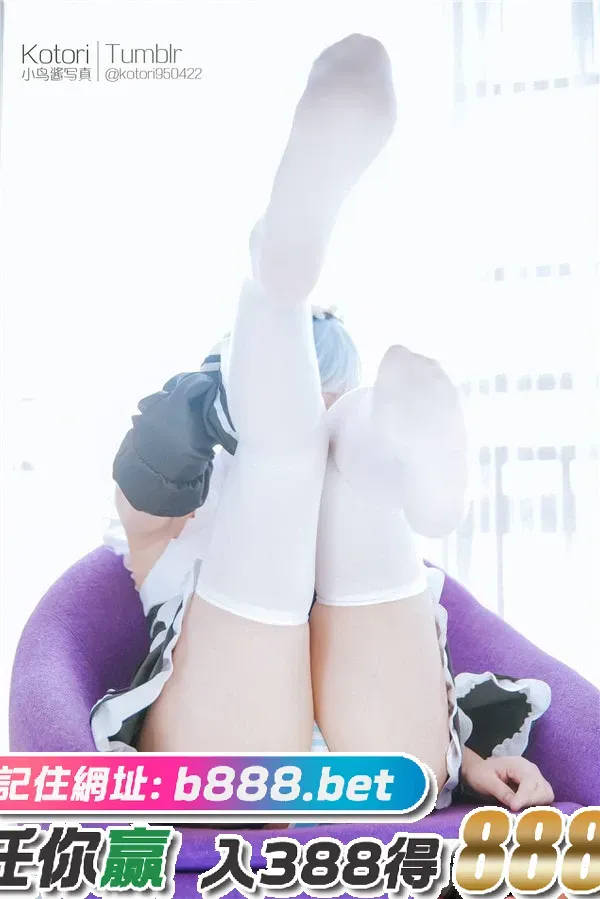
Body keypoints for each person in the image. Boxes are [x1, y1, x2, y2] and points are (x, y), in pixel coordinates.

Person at [92, 34, 553, 813]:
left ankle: (284, 299)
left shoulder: (377, 557)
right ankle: (289, 318)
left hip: (377, 766)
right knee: (285, 463)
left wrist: (474, 760)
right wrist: (212, 415)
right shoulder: (188, 521)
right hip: (245, 756)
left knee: (325, 470)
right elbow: (145, 486)